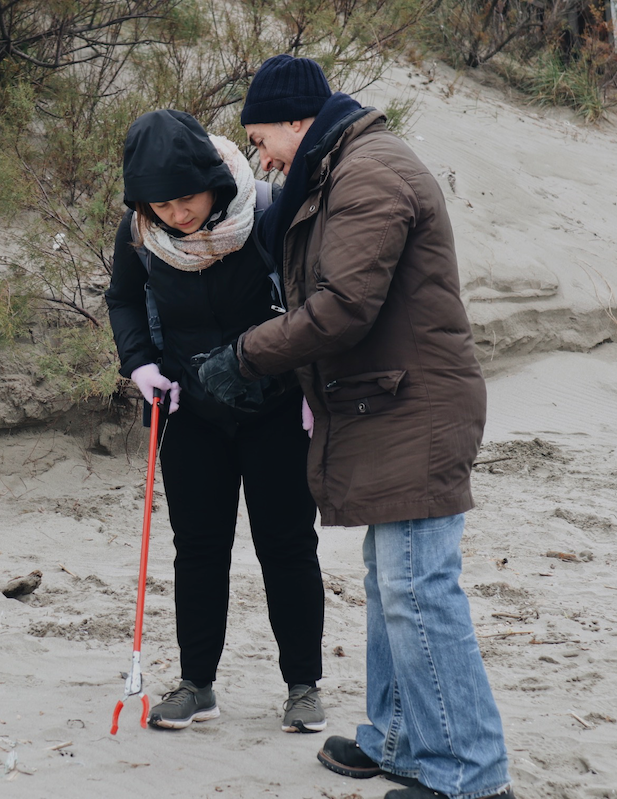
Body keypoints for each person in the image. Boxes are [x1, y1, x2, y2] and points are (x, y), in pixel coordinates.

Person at [198, 55, 514, 799]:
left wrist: (245, 356)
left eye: (260, 137)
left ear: (296, 122)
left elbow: (342, 307)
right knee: (391, 583)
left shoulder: (368, 172)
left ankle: (471, 773)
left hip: (416, 406)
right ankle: (400, 738)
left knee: (419, 590)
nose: (260, 155)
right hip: (388, 402)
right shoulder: (340, 167)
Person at [104, 110, 327, 734]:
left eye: (186, 197)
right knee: (198, 549)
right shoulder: (141, 232)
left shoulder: (265, 212)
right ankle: (197, 684)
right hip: (189, 411)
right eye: (161, 203)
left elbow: (313, 295)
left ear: (211, 179)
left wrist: (315, 382)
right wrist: (139, 364)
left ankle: (303, 686)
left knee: (285, 544)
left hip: (277, 408)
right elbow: (123, 298)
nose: (178, 213)